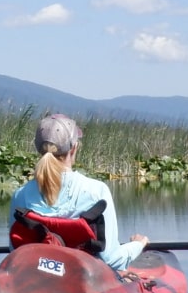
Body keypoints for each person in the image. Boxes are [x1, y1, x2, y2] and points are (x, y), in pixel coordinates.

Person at [9, 113, 148, 270]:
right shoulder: (96, 191)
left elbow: (16, 253)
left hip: (37, 283)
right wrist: (137, 245)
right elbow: (111, 260)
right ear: (74, 148)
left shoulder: (20, 195)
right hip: (83, 284)